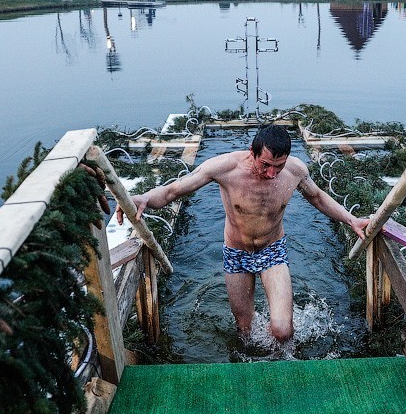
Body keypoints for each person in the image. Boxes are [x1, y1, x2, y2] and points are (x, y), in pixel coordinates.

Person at [117, 124, 370, 342]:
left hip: (273, 250)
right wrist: (145, 198)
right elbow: (174, 191)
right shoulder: (225, 168)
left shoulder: (295, 171)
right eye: (266, 165)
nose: (272, 173)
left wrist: (351, 220)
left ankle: (283, 371)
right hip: (236, 252)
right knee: (244, 330)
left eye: (278, 166)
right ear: (253, 152)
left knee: (282, 331)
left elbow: (318, 197)